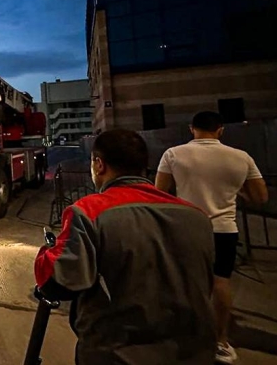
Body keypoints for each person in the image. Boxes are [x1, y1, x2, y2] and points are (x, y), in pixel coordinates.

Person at [34, 129, 216, 364]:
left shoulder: (89, 212)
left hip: (117, 354)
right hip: (194, 352)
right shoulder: (197, 217)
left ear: (99, 165)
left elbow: (56, 281)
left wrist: (46, 252)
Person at [155, 111, 268, 364]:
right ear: (221, 130)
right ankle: (221, 342)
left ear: (191, 128)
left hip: (186, 228)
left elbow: (159, 193)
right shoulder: (241, 157)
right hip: (224, 229)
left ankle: (184, 336)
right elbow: (260, 197)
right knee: (220, 283)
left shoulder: (173, 154)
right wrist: (235, 192)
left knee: (184, 283)